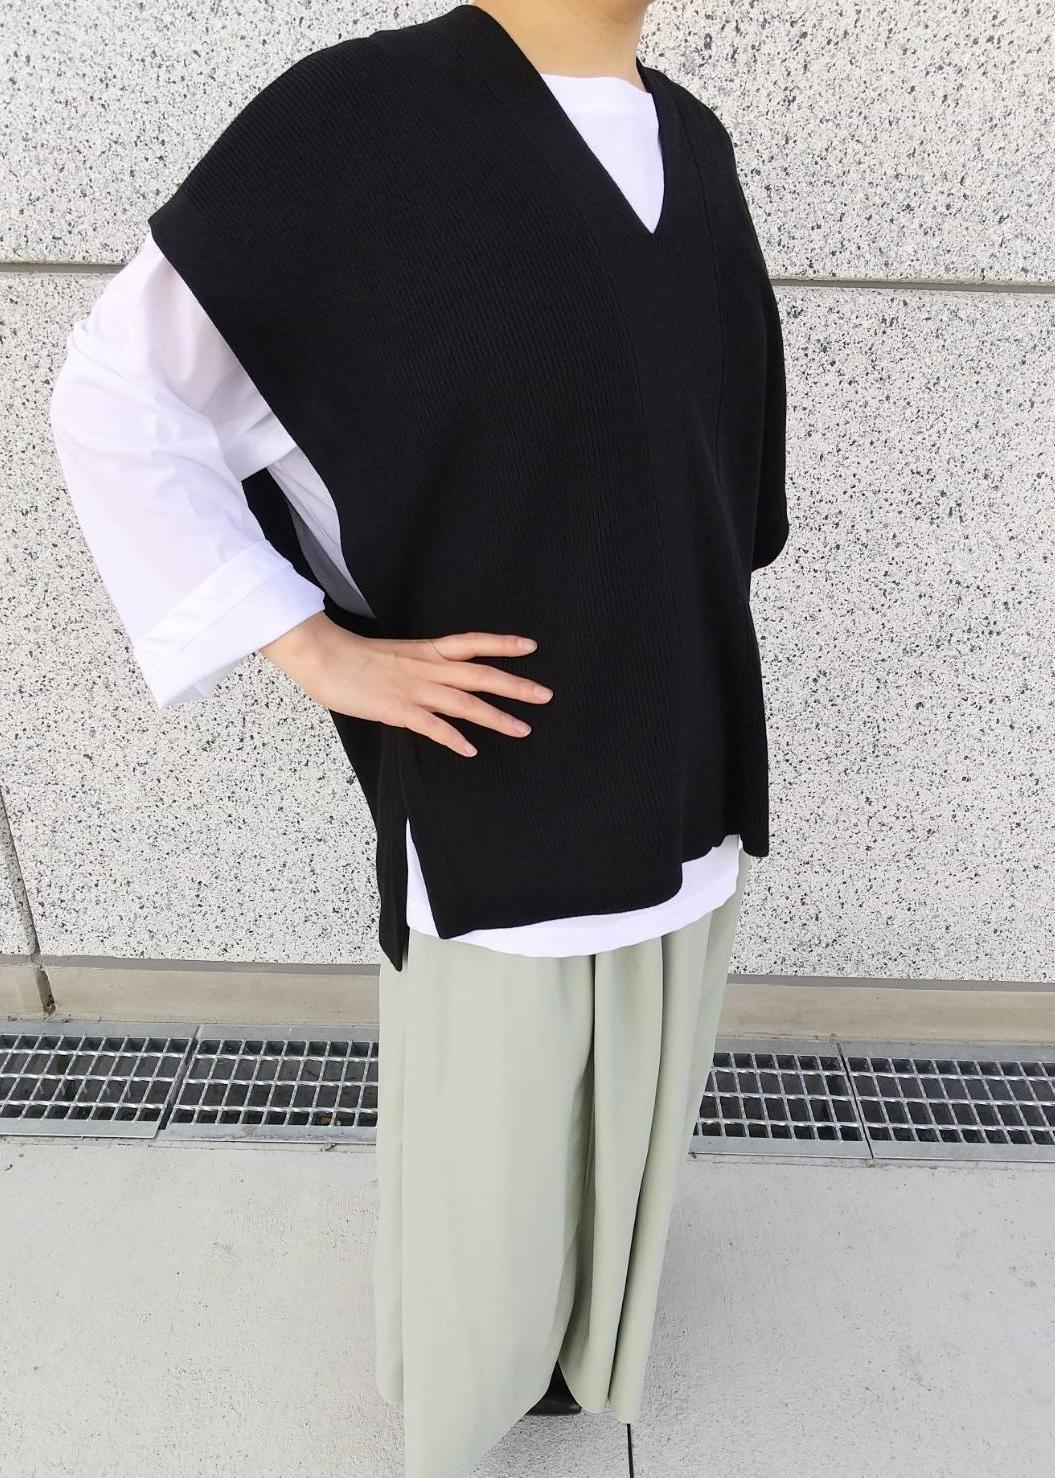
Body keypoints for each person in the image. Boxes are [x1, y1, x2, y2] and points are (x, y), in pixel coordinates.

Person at [49, 2, 789, 1475]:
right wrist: (311, 645)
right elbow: (120, 395)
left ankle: (584, 1352)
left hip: (683, 738)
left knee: (637, 1088)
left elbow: (715, 473)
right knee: (492, 1137)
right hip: (495, 774)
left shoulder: (694, 147)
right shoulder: (358, 119)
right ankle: (464, 1409)